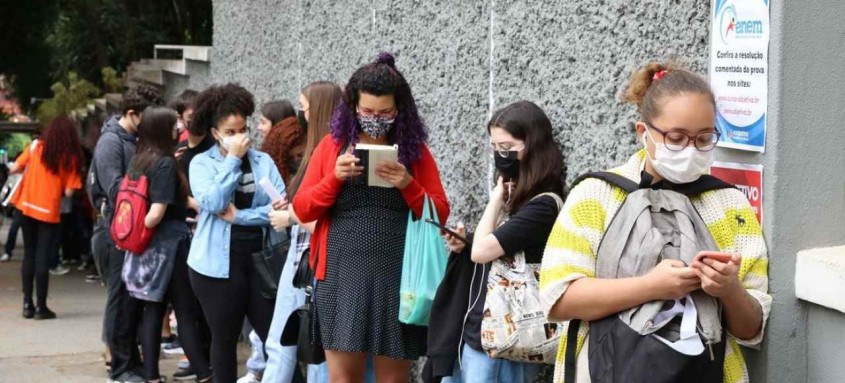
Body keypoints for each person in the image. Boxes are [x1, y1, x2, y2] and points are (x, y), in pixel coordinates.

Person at [539, 62, 771, 382]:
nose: (691, 149)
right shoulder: (597, 195)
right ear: (643, 133)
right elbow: (559, 298)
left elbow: (751, 329)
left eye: (704, 139)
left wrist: (728, 289)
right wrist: (651, 287)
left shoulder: (730, 206)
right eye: (676, 138)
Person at [292, 52, 449, 382]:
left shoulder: (414, 152)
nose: (375, 118)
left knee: (393, 379)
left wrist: (407, 183)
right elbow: (303, 207)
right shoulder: (332, 147)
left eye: (385, 112)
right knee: (342, 379)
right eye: (367, 111)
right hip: (339, 274)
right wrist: (334, 177)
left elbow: (439, 213)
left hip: (398, 276)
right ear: (352, 107)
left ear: (399, 111)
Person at [430, 101, 567, 382]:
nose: (500, 156)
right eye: (494, 148)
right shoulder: (520, 199)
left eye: (507, 148)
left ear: (533, 146)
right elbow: (497, 247)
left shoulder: (543, 206)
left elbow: (483, 252)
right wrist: (465, 241)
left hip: (505, 342)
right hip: (482, 335)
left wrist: (495, 200)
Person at [263, 81, 371, 383]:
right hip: (309, 261)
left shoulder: (333, 154)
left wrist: (292, 216)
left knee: (306, 348)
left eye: (305, 107)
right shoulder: (323, 151)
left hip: (313, 262)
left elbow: (330, 220)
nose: (301, 113)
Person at [187, 83, 286, 383]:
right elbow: (214, 202)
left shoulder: (262, 161)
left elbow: (278, 209)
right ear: (215, 132)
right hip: (215, 266)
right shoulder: (201, 163)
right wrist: (231, 160)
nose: (240, 137)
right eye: (230, 132)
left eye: (243, 129)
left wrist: (241, 216)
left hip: (259, 261)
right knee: (225, 339)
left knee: (277, 339)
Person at [89, 84, 164, 383]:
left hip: (130, 234)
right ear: (132, 114)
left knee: (131, 302)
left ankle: (129, 365)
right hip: (115, 233)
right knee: (120, 303)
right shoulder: (111, 142)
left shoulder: (133, 138)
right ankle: (119, 369)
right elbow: (115, 188)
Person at [121, 106, 193, 382]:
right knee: (185, 310)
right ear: (163, 129)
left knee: (152, 308)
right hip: (167, 247)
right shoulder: (163, 163)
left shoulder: (139, 159)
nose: (179, 127)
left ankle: (151, 376)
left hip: (144, 249)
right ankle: (204, 372)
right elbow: (155, 214)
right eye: (174, 124)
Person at [9, 116, 84, 320]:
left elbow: (15, 167)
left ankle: (27, 304)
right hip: (48, 211)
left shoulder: (35, 147)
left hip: (26, 207)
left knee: (29, 256)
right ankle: (41, 307)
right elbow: (69, 192)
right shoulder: (70, 158)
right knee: (43, 257)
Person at [259, 100, 303, 186]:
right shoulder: (271, 151)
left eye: (263, 122)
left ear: (277, 125)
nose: (259, 127)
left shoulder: (294, 159)